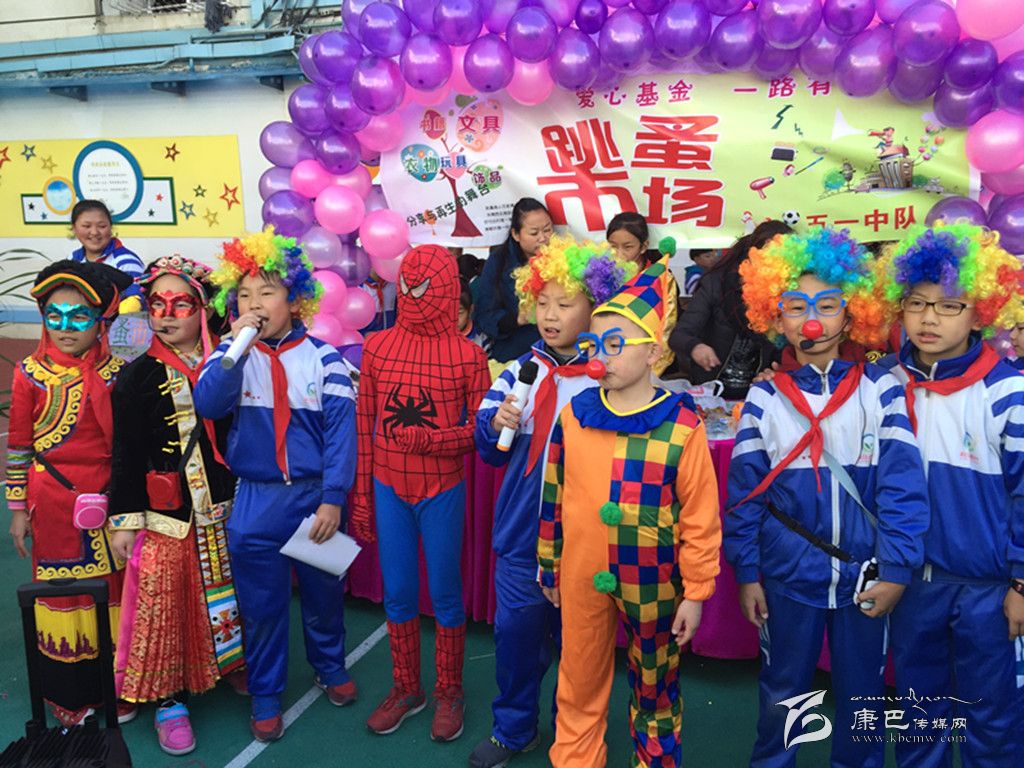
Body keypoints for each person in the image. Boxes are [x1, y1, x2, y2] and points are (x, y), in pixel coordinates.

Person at [725, 228, 930, 768]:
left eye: (827, 304)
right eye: (796, 306)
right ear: (776, 317)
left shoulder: (881, 390)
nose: (811, 320)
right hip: (787, 577)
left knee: (863, 696)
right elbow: (744, 495)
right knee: (783, 689)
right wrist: (747, 571)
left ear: (851, 314)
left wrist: (897, 569)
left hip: (866, 575)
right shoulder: (763, 399)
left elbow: (903, 488)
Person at [538, 258, 721, 768]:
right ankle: (576, 757)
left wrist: (696, 592)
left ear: (655, 351)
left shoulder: (681, 425)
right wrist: (550, 564)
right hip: (580, 573)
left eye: (616, 344)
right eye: (593, 345)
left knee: (655, 683)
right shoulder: (575, 415)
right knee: (578, 674)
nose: (601, 358)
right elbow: (554, 495)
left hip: (652, 579)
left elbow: (701, 518)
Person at [469, 236, 634, 768]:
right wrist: (494, 422)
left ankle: (577, 738)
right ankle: (513, 728)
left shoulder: (611, 376)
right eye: (542, 302)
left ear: (595, 307)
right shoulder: (518, 371)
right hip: (522, 538)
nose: (550, 315)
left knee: (581, 650)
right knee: (516, 640)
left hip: (587, 541)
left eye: (565, 303)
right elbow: (487, 450)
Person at [193, 229, 357, 743]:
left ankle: (330, 666)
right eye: (244, 294)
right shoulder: (229, 354)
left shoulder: (326, 359)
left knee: (324, 596)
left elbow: (341, 437)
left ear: (295, 298)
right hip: (256, 500)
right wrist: (237, 350)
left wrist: (333, 499)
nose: (255, 304)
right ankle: (265, 693)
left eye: (267, 292)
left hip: (314, 498)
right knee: (261, 608)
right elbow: (208, 405)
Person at [876, 222, 1024, 767]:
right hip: (913, 585)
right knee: (919, 714)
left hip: (989, 588)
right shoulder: (885, 384)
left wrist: (1021, 582)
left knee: (993, 717)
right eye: (916, 303)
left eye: (949, 306)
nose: (929, 319)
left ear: (979, 313)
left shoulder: (1009, 391)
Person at [349, 245, 491, 743]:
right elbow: (365, 425)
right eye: (406, 285)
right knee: (398, 592)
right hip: (389, 485)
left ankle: (450, 690)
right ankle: (407, 687)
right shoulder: (377, 348)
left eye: (423, 287)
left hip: (442, 489)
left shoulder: (470, 356)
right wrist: (362, 495)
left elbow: (483, 431)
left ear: (447, 289)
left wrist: (434, 441)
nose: (412, 295)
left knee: (446, 594)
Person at [108, 255, 245, 756]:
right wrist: (123, 521)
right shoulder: (137, 376)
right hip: (165, 517)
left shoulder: (228, 364)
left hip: (226, 506)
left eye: (180, 304)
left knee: (230, 594)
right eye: (156, 304)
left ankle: (230, 664)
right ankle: (170, 700)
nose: (165, 315)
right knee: (166, 606)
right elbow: (125, 452)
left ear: (204, 310)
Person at [5, 259, 134, 726]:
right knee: (64, 596)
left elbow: (129, 448)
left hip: (111, 500)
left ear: (101, 321)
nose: (64, 327)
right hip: (54, 505)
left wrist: (128, 509)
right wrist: (18, 508)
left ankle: (118, 687)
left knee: (116, 590)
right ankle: (72, 695)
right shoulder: (29, 373)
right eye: (53, 315)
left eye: (78, 316)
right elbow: (19, 445)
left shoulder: (121, 373)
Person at [669, 221, 793, 399]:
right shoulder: (716, 284)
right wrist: (695, 347)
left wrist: (779, 370)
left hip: (758, 395)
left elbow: (789, 349)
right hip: (712, 392)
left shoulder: (788, 295)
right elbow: (679, 335)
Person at [474, 198, 553, 362]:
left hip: (556, 348)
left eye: (547, 230)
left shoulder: (562, 256)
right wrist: (518, 319)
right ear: (516, 234)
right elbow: (485, 315)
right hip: (515, 352)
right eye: (534, 233)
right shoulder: (498, 263)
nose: (543, 238)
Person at [70, 199, 145, 311]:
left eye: (102, 226)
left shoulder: (127, 262)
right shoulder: (72, 260)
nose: (94, 232)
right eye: (86, 226)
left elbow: (136, 304)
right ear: (74, 228)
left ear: (111, 227)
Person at [459, 280, 491, 354]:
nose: (453, 319)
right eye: (448, 313)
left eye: (459, 313)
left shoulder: (482, 338)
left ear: (470, 310)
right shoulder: (437, 336)